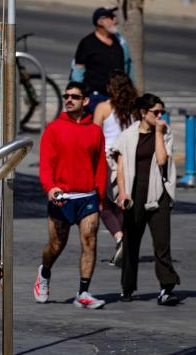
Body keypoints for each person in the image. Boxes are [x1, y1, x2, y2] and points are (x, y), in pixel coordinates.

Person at [35, 81, 107, 309]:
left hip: (87, 198)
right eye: (66, 96)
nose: (68, 100)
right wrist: (50, 187)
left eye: (74, 97)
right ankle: (44, 273)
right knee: (56, 246)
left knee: (90, 241)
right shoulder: (54, 129)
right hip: (62, 198)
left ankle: (83, 292)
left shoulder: (95, 131)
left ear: (85, 101)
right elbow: (45, 164)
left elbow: (100, 167)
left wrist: (101, 197)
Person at [112, 93, 180, 306]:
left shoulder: (165, 133)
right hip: (134, 191)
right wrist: (122, 193)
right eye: (155, 112)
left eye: (162, 112)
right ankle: (127, 287)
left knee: (162, 242)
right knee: (131, 242)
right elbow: (120, 167)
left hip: (158, 190)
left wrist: (159, 132)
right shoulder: (127, 136)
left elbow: (161, 159)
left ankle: (166, 288)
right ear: (143, 112)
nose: (160, 116)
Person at [93, 72, 138, 266]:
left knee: (102, 204)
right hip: (129, 159)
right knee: (122, 202)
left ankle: (120, 238)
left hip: (107, 159)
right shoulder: (136, 110)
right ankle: (124, 243)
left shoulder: (103, 107)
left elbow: (94, 136)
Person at [71, 7, 131, 114]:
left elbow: (127, 67)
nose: (115, 21)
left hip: (118, 98)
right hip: (95, 98)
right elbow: (78, 71)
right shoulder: (87, 43)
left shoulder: (119, 41)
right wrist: (76, 96)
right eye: (111, 17)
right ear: (100, 21)